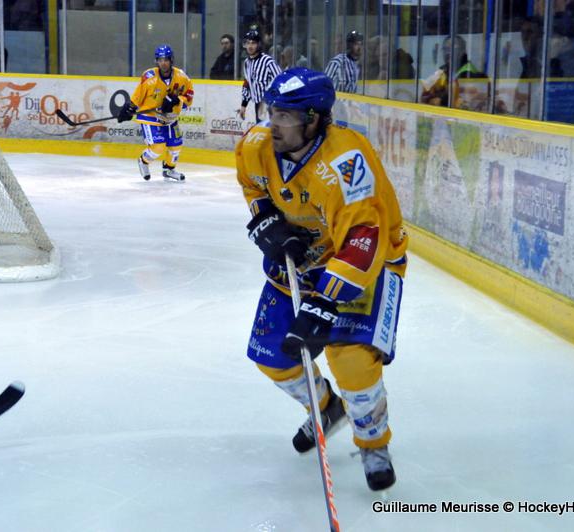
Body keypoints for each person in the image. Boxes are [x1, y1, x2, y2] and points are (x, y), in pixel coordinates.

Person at [235, 68, 408, 492]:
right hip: (302, 263)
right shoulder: (257, 145)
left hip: (365, 264)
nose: (273, 123)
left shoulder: (347, 163)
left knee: (351, 360)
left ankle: (373, 443)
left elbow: (364, 238)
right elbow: (253, 187)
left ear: (313, 119)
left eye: (285, 116)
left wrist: (324, 303)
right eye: (272, 111)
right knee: (272, 356)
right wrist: (266, 219)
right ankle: (327, 408)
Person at [117, 45, 194, 182]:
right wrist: (129, 108)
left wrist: (177, 100)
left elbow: (189, 96)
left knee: (176, 145)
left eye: (166, 60)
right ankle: (143, 161)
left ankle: (169, 170)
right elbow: (138, 95)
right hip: (150, 116)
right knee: (158, 147)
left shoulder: (182, 77)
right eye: (160, 60)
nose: (163, 63)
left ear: (171, 60)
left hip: (170, 117)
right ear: (156, 61)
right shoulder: (149, 77)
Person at [420, 35, 488, 109]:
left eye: (453, 48)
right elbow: (425, 94)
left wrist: (440, 100)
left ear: (463, 51)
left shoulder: (470, 74)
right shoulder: (443, 71)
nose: (448, 53)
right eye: (445, 49)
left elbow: (457, 101)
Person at [238, 29, 281, 121]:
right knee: (261, 128)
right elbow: (247, 84)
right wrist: (243, 105)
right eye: (248, 43)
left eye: (253, 43)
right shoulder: (246, 62)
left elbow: (280, 81)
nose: (250, 46)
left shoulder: (268, 61)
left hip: (271, 105)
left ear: (259, 44)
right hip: (258, 105)